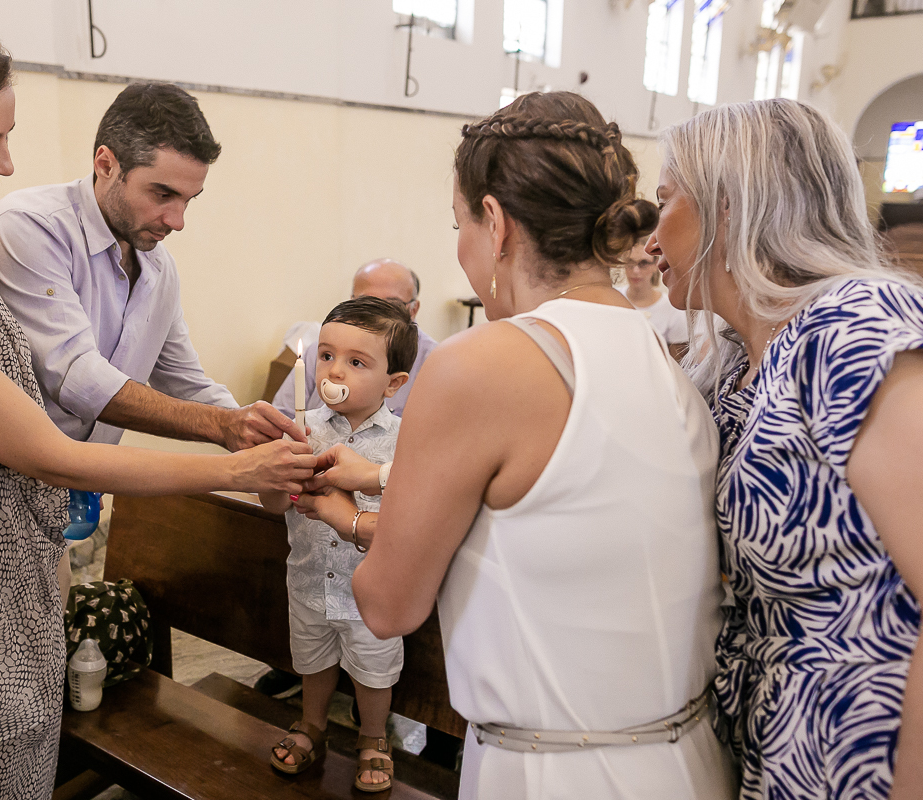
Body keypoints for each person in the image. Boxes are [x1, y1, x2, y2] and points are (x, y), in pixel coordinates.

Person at [0, 7, 313, 799]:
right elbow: (43, 443)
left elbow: (161, 379)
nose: (7, 164)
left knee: (15, 764)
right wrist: (239, 465)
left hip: (0, 567)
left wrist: (238, 426)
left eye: (7, 136)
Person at [323, 92, 737, 798]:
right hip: (688, 758)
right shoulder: (668, 357)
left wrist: (341, 516)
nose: (460, 246)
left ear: (495, 221)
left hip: (559, 772)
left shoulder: (477, 362)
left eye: (458, 223)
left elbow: (389, 606)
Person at [647, 98, 923, 799]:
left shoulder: (851, 326)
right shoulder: (736, 365)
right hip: (774, 750)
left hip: (870, 754)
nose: (650, 238)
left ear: (729, 207)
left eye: (664, 202)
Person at [0, 83, 298, 451]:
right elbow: (75, 377)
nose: (177, 221)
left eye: (188, 200)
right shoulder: (30, 227)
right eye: (162, 195)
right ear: (106, 164)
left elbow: (184, 382)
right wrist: (221, 424)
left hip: (84, 487)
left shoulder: (159, 268)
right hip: (2, 485)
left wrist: (261, 433)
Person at [260, 297, 417, 793]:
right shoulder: (301, 430)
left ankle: (373, 737)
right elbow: (272, 506)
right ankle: (313, 724)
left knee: (373, 673)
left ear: (394, 383)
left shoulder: (405, 445)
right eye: (326, 355)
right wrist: (271, 468)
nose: (334, 370)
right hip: (307, 583)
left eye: (356, 361)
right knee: (313, 662)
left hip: (371, 595)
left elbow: (411, 519)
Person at [273, 259, 438, 419]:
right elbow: (280, 417)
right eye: (365, 302)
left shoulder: (437, 363)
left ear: (413, 309)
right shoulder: (317, 351)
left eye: (391, 305)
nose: (375, 315)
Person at [618, 240, 689, 358]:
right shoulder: (614, 298)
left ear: (655, 265)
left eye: (643, 263)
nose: (635, 271)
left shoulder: (672, 308)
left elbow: (677, 364)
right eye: (630, 262)